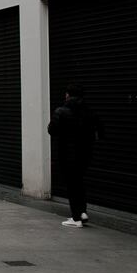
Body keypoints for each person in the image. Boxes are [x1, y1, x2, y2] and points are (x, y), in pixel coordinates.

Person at [48, 84, 103, 228]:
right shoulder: (90, 112)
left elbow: (51, 130)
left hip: (67, 155)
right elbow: (100, 132)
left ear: (67, 95)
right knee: (79, 182)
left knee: (72, 185)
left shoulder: (61, 111)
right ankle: (82, 212)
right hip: (85, 154)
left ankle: (76, 218)